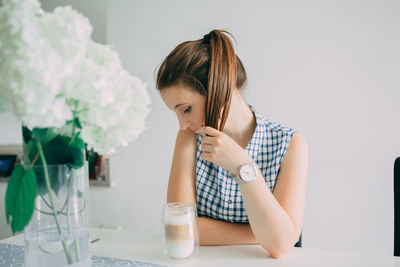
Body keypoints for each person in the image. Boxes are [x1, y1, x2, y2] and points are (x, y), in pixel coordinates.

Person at [156, 29, 308, 258]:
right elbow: (181, 232)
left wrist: (242, 167)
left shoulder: (289, 144)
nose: (182, 125)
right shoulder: (189, 140)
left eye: (186, 109)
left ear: (219, 87)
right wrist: (260, 233)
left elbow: (280, 246)